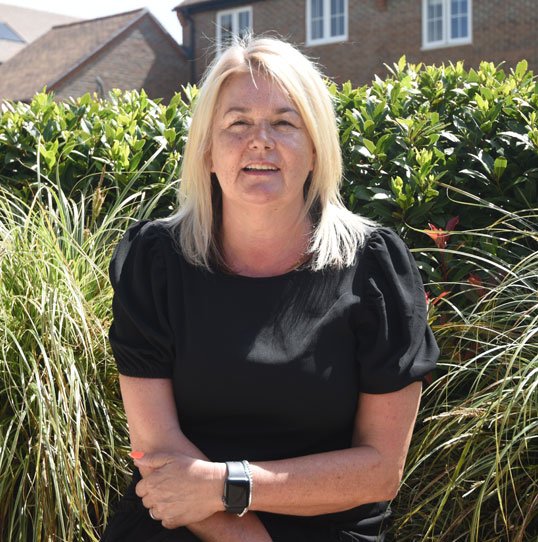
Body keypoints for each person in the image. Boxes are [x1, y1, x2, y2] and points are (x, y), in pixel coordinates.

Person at [102, 36, 439, 542]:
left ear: (315, 148)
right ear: (208, 152)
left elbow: (380, 471)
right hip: (181, 524)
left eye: (284, 123)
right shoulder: (155, 262)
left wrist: (228, 485)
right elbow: (158, 452)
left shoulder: (374, 267)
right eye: (237, 123)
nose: (260, 140)